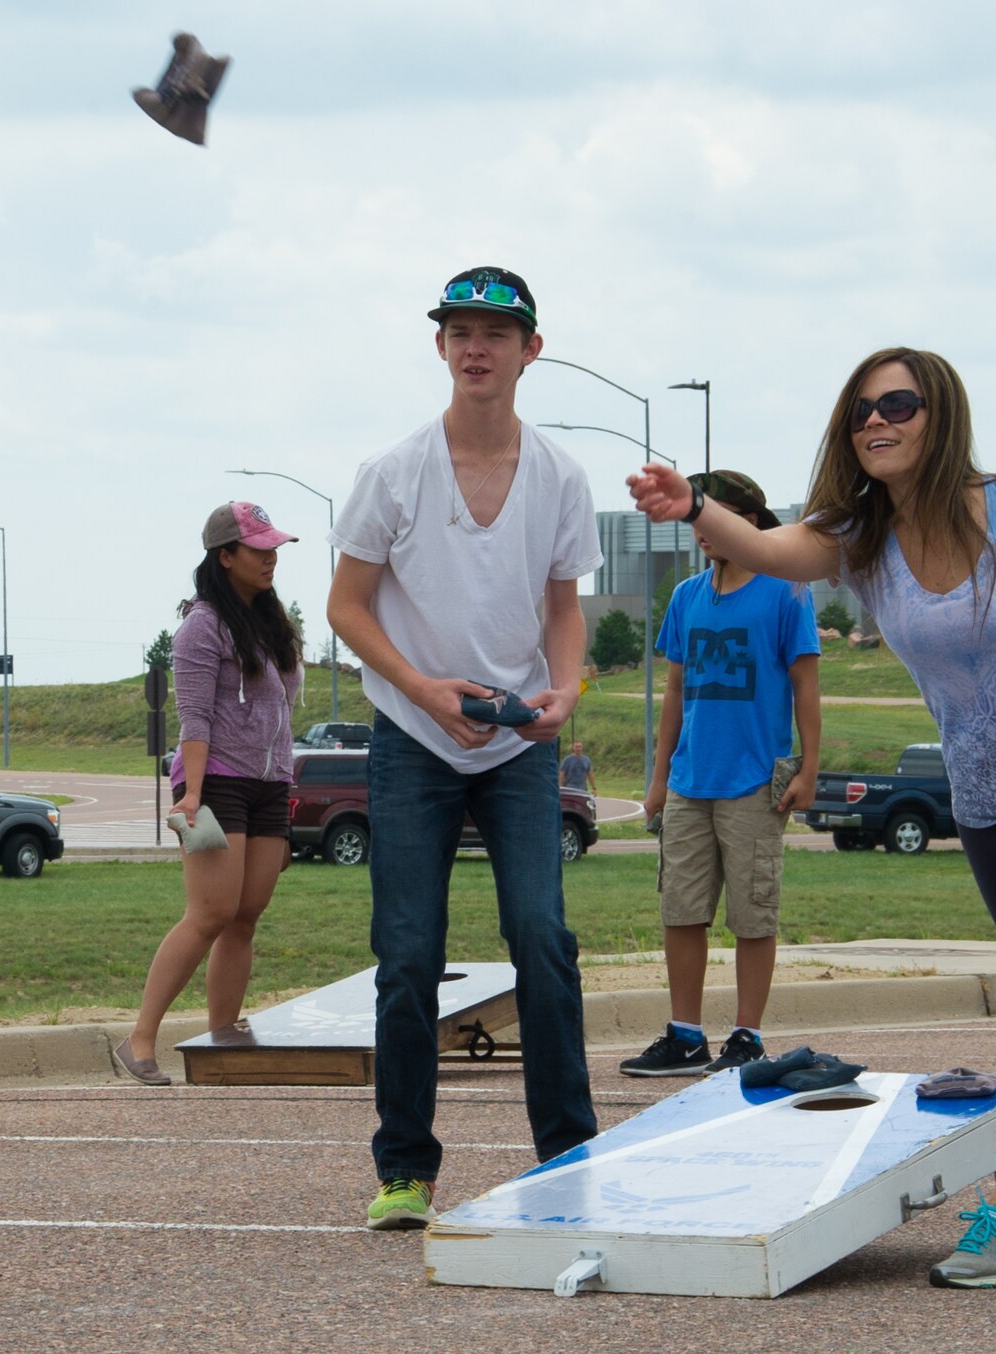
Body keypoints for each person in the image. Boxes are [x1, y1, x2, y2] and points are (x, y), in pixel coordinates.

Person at [629, 347, 996, 1289]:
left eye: (898, 403)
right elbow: (771, 551)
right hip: (983, 792)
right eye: (861, 411)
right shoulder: (859, 534)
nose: (877, 422)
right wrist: (692, 506)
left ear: (941, 416)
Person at [328, 265, 600, 1230]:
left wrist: (563, 690)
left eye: (496, 332)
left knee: (543, 937)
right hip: (413, 738)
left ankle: (567, 1156)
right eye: (459, 331)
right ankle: (404, 1169)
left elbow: (565, 609)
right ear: (439, 348)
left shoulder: (562, 476)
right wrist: (420, 690)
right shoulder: (393, 473)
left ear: (532, 349)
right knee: (407, 954)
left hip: (517, 744)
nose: (475, 347)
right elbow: (345, 608)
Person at [620, 470, 821, 1079]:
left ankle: (747, 1036)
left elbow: (806, 686)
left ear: (749, 521)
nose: (704, 529)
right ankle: (685, 1036)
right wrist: (658, 781)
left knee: (752, 916)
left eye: (717, 515)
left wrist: (809, 768)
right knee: (681, 910)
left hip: (755, 784)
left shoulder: (787, 592)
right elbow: (675, 692)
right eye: (699, 518)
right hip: (689, 783)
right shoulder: (685, 598)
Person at [114, 502, 304, 1086]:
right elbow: (194, 719)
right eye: (258, 549)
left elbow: (283, 711)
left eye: (275, 548)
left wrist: (287, 783)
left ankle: (223, 1043)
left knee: (246, 915)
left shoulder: (271, 623)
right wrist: (190, 794)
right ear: (225, 557)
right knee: (210, 913)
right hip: (216, 779)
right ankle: (140, 1037)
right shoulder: (202, 625)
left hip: (270, 782)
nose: (271, 558)